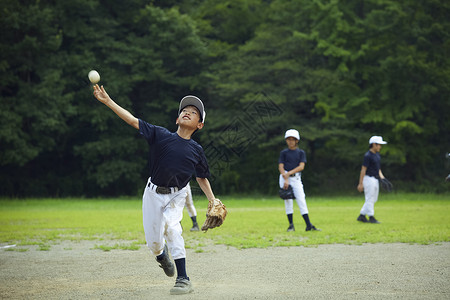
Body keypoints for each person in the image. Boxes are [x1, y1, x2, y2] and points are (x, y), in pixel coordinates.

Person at [92, 84, 219, 295]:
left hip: (177, 195)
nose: (187, 112)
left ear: (200, 125)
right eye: (184, 110)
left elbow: (201, 176)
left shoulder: (196, 150)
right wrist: (108, 101)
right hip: (152, 193)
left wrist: (212, 200)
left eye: (194, 112)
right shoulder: (160, 135)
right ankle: (161, 256)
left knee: (173, 227)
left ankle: (183, 278)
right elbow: (133, 120)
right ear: (177, 119)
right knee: (154, 243)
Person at [278, 129, 320, 232]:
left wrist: (288, 173)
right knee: (288, 201)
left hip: (296, 178)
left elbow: (301, 166)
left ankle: (308, 225)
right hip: (284, 178)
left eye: (293, 139)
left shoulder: (301, 152)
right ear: (286, 140)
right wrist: (285, 176)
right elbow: (280, 166)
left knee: (301, 200)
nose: (291, 141)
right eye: (289, 139)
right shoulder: (284, 153)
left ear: (297, 140)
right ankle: (291, 225)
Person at [356, 135, 388, 224]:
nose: (380, 147)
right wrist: (360, 183)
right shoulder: (368, 156)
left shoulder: (377, 155)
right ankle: (371, 217)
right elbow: (363, 169)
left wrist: (383, 178)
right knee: (370, 198)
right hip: (368, 179)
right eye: (379, 145)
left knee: (373, 199)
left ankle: (362, 215)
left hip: (375, 179)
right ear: (374, 144)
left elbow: (378, 169)